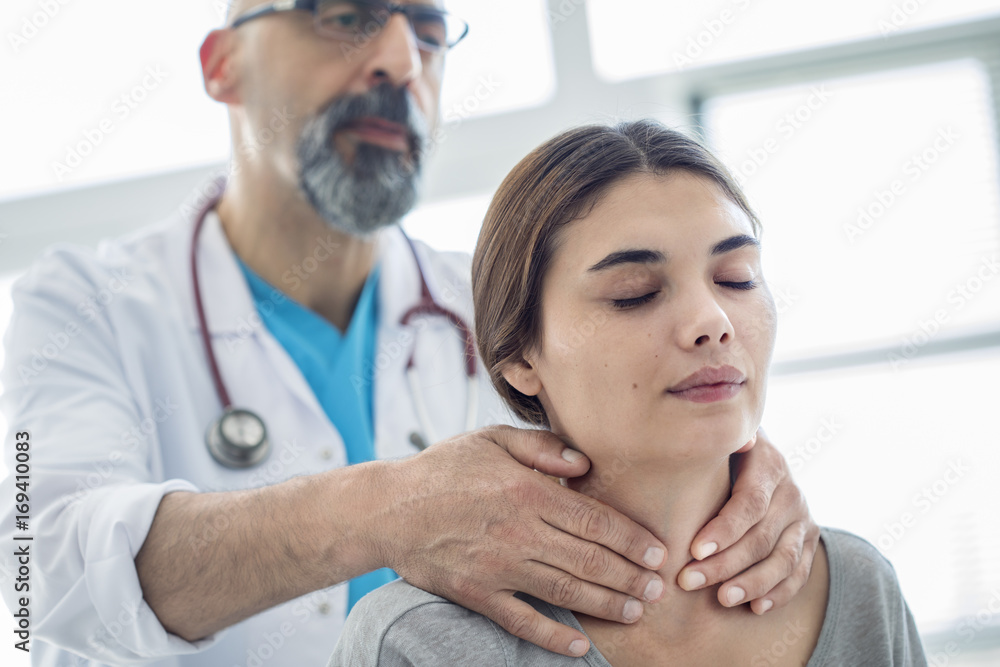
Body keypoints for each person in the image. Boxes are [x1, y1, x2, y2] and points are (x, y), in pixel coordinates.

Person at [0, 3, 819, 665]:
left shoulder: (509, 311)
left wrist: (740, 475)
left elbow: (647, 454)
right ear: (224, 64)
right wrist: (383, 510)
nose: (401, 60)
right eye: (344, 16)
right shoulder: (79, 306)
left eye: (427, 29)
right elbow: (33, 570)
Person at [330, 120, 928, 666]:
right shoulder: (421, 641)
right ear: (520, 360)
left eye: (737, 278)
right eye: (634, 293)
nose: (713, 320)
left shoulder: (860, 590)